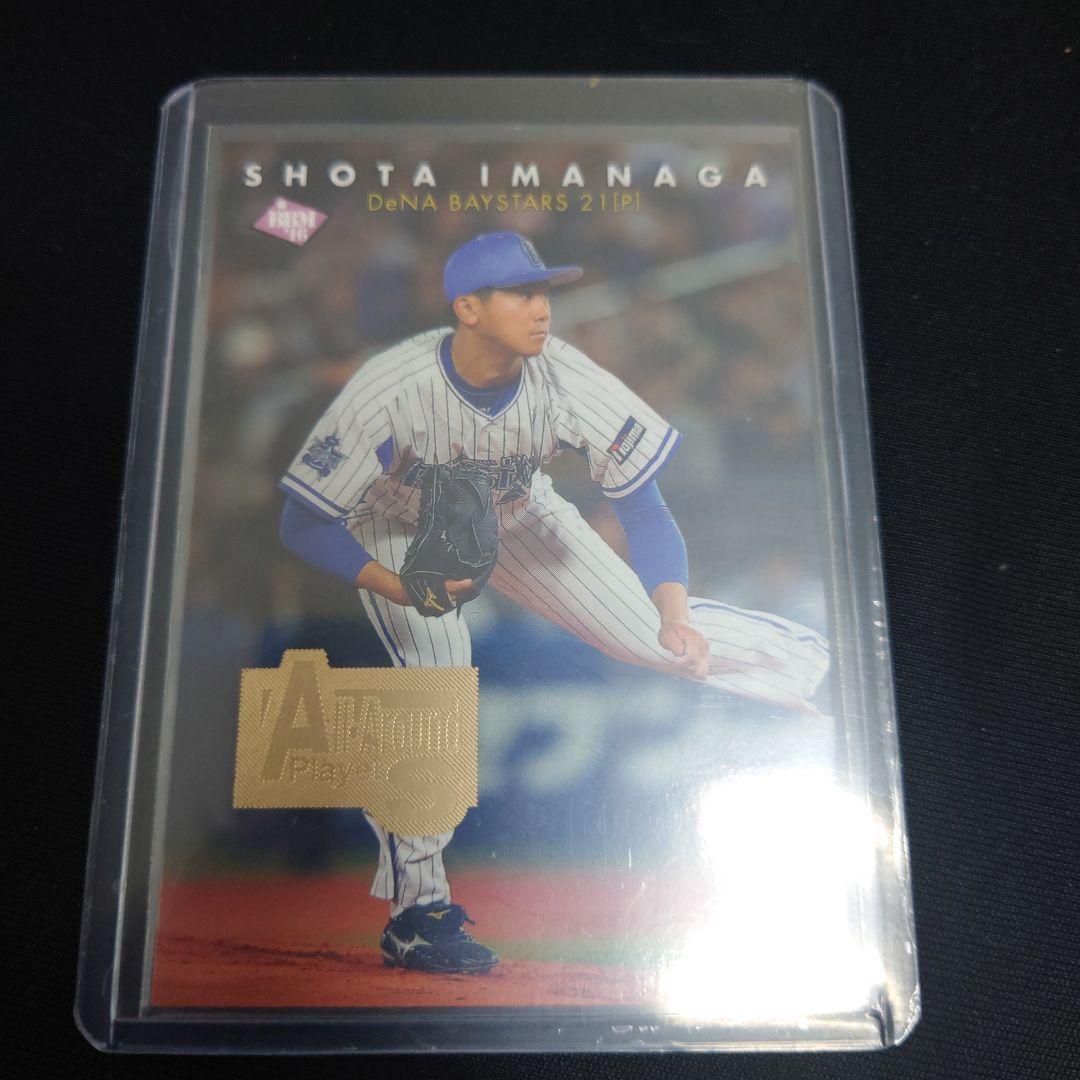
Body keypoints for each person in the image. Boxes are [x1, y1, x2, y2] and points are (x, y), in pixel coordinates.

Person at [279, 231, 829, 973]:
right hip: (401, 528)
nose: (541, 308)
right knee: (437, 668)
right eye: (520, 294)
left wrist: (672, 613)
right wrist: (397, 584)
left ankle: (823, 672)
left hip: (517, 513)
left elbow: (643, 508)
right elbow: (304, 521)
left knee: (649, 636)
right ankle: (418, 913)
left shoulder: (565, 376)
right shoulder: (390, 390)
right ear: (468, 309)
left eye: (543, 292)